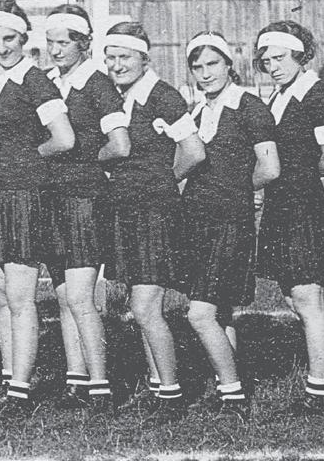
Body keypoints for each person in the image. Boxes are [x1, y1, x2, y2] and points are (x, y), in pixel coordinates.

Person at [0, 0, 76, 418]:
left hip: (23, 196)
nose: (1, 47)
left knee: (19, 296)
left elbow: (64, 139)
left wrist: (26, 161)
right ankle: (9, 378)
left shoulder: (35, 81)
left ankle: (21, 392)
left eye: (9, 38)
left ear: (24, 38)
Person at [101, 22, 204, 419]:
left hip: (154, 213)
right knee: (140, 304)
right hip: (128, 211)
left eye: (124, 57)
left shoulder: (163, 96)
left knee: (145, 306)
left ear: (144, 58)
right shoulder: (120, 96)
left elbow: (193, 151)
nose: (116, 65)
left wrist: (163, 182)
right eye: (110, 58)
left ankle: (172, 396)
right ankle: (159, 385)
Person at [179, 31, 280, 416]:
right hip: (198, 219)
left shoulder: (248, 106)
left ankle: (233, 393)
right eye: (197, 67)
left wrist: (238, 192)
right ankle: (229, 387)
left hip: (228, 221)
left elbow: (270, 168)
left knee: (199, 313)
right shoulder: (198, 110)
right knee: (218, 310)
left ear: (228, 65)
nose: (205, 73)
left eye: (212, 64)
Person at [253, 20, 324, 415]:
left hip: (303, 207)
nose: (272, 66)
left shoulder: (317, 96)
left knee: (308, 298)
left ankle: (319, 392)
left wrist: (296, 176)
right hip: (282, 206)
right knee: (294, 296)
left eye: (280, 58)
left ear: (301, 55)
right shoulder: (280, 94)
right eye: (266, 60)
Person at [41, 4, 130, 410]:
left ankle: (101, 387)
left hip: (85, 200)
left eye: (65, 42)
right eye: (51, 42)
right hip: (53, 198)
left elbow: (120, 145)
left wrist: (87, 162)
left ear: (83, 43)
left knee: (80, 296)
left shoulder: (97, 85)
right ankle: (76, 382)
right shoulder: (48, 83)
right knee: (63, 295)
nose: (56, 50)